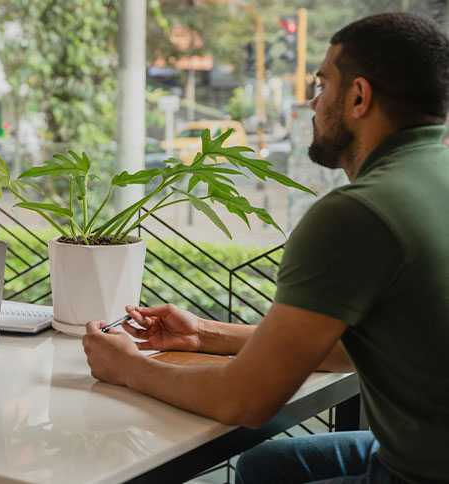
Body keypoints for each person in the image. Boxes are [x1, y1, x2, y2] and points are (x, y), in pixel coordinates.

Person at [83, 12, 449, 484]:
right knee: (269, 464)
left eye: (323, 85)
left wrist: (128, 368)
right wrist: (205, 336)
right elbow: (347, 348)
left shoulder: (360, 213)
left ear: (360, 97)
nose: (313, 102)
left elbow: (246, 401)